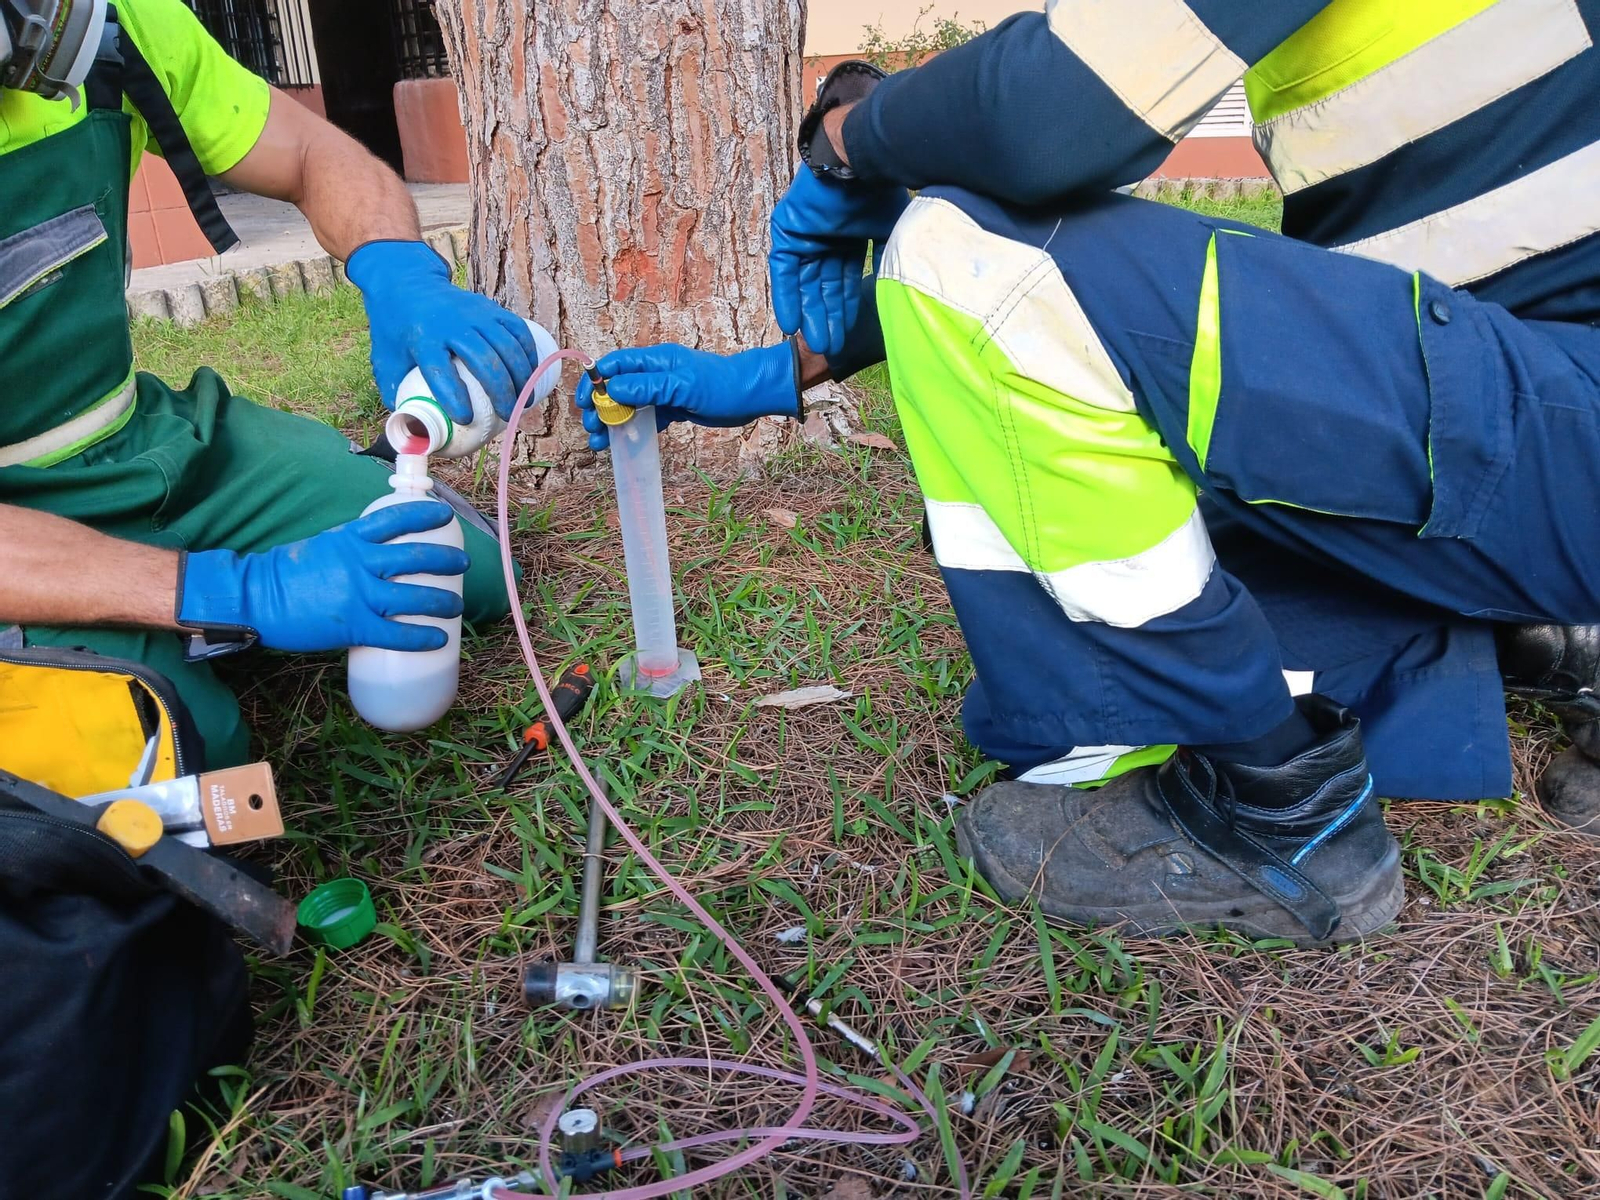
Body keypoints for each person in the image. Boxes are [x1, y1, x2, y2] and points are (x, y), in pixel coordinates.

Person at [578, 2, 1600, 948]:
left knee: (957, 241)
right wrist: (795, 369)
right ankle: (1563, 632)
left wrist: (843, 137)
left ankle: (1277, 813)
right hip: (1539, 404)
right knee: (1171, 659)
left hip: (1562, 422)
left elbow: (1045, 115)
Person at [0, 0, 536, 768]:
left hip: (139, 439)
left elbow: (313, 152)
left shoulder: (106, 27)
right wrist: (237, 593)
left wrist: (399, 273)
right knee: (166, 761)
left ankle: (172, 614)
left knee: (460, 571)